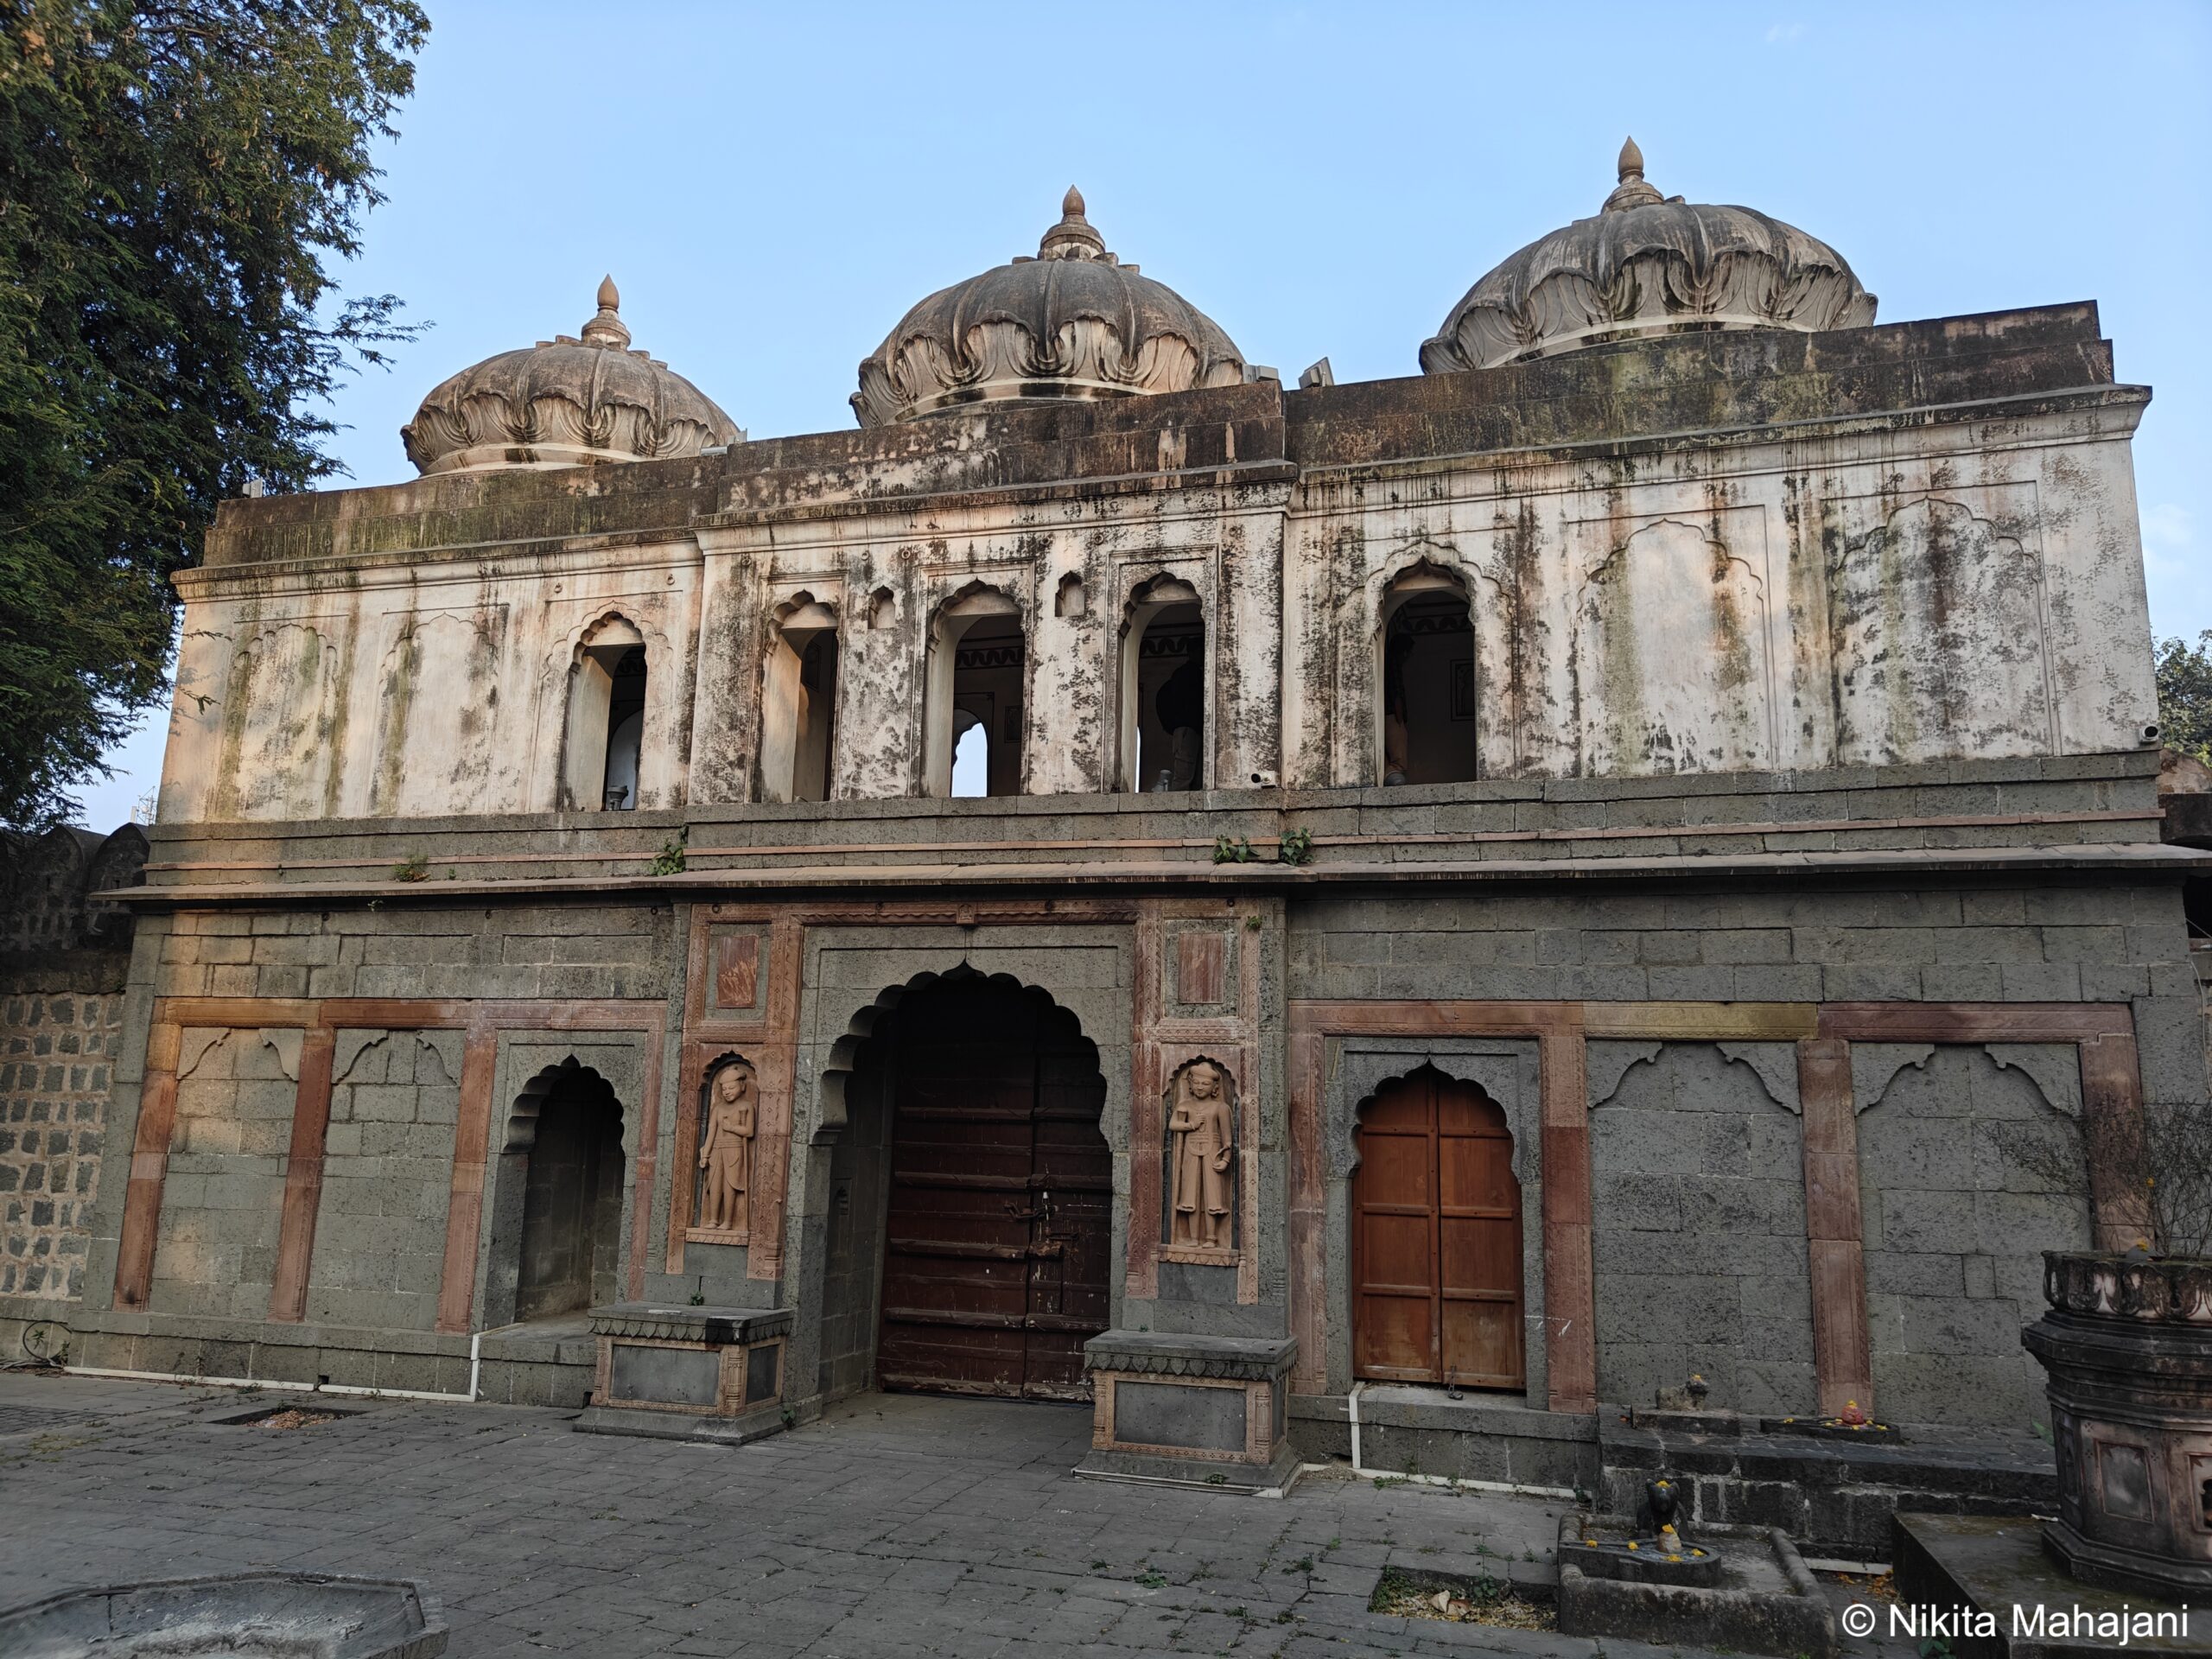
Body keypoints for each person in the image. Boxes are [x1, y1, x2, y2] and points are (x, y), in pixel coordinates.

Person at [1168, 1060, 1234, 1249]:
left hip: (1213, 1151)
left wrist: (1226, 1159)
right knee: (1190, 1195)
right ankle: (1194, 1237)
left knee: (1212, 1195)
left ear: (1214, 1086)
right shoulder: (1185, 1105)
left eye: (1205, 1084)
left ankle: (1211, 1237)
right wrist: (1190, 1125)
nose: (1199, 1087)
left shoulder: (1220, 1108)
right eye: (1196, 1082)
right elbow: (1173, 1124)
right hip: (1190, 1150)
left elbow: (1227, 1139)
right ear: (1190, 1083)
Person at [698, 1061, 757, 1232]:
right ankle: (714, 1219)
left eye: (731, 1088)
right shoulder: (717, 1108)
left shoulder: (746, 1107)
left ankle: (728, 1222)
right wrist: (705, 1154)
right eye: (724, 1089)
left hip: (734, 1150)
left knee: (729, 1185)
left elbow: (749, 1131)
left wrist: (732, 1128)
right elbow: (711, 1133)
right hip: (717, 1150)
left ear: (742, 1086)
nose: (727, 1092)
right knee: (715, 1184)